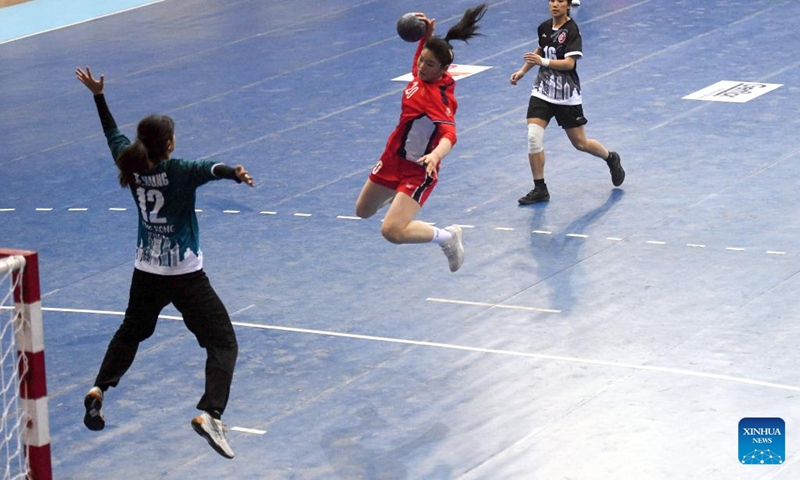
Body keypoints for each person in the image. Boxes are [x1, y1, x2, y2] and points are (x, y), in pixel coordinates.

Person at [76, 66, 254, 459]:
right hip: (186, 276)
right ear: (170, 144)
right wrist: (235, 174)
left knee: (132, 331)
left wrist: (98, 96)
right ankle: (211, 412)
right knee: (222, 341)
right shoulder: (179, 171)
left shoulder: (130, 162)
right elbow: (212, 168)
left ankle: (99, 388)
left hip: (145, 272)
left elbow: (111, 133)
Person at [355, 5, 487, 272]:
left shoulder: (439, 99)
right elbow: (422, 58)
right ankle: (398, 198)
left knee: (391, 231)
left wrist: (436, 155)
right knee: (363, 211)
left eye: (429, 64)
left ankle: (448, 237)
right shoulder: (419, 75)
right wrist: (428, 34)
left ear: (444, 69)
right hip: (392, 159)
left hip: (418, 170)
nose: (422, 66)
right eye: (421, 60)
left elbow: (450, 134)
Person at [510, 0, 623, 205]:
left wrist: (542, 62)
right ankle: (540, 188)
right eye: (552, 0)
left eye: (560, 1)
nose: (555, 4)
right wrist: (522, 71)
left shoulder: (572, 30)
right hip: (542, 91)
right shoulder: (544, 27)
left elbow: (569, 63)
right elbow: (540, 50)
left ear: (568, 5)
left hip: (566, 95)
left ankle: (610, 158)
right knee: (533, 138)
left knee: (580, 143)